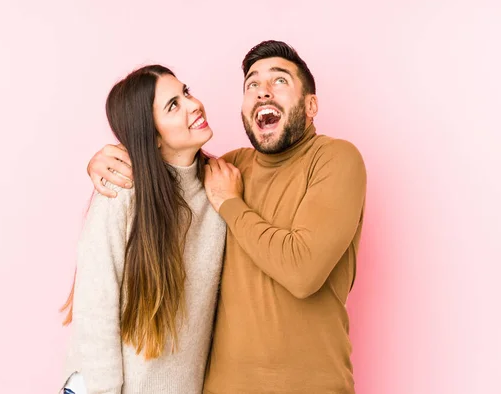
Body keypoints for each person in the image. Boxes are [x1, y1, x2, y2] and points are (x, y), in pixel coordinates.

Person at [88, 41, 367, 393]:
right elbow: (169, 163)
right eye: (252, 84)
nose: (262, 92)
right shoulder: (227, 169)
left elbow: (303, 271)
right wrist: (109, 157)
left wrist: (231, 205)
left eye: (279, 81)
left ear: (311, 104)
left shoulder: (335, 159)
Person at [61, 64, 227, 394]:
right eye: (173, 105)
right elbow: (96, 304)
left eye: (186, 92)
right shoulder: (122, 190)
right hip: (101, 386)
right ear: (151, 136)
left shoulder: (220, 188)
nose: (193, 104)